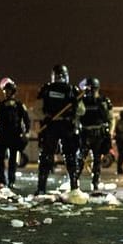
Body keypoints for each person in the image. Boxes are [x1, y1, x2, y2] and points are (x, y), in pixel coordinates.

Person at [37, 64, 85, 194]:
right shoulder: (72, 90)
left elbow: (38, 110)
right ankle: (74, 187)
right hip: (66, 126)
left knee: (46, 156)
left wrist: (47, 116)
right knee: (70, 157)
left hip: (51, 126)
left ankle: (41, 188)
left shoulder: (46, 89)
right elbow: (81, 110)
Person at [77, 77, 113, 190]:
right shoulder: (82, 100)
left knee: (96, 159)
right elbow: (77, 116)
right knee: (81, 158)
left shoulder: (103, 101)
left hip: (97, 134)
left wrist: (109, 133)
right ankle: (75, 180)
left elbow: (110, 118)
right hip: (85, 133)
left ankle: (95, 182)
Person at [0, 77, 30, 189]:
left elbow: (26, 119)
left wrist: (26, 132)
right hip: (3, 135)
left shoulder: (19, 105)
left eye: (8, 91)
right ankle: (1, 180)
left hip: (14, 135)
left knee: (12, 159)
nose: (6, 93)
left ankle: (11, 180)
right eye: (5, 91)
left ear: (13, 91)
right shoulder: (0, 104)